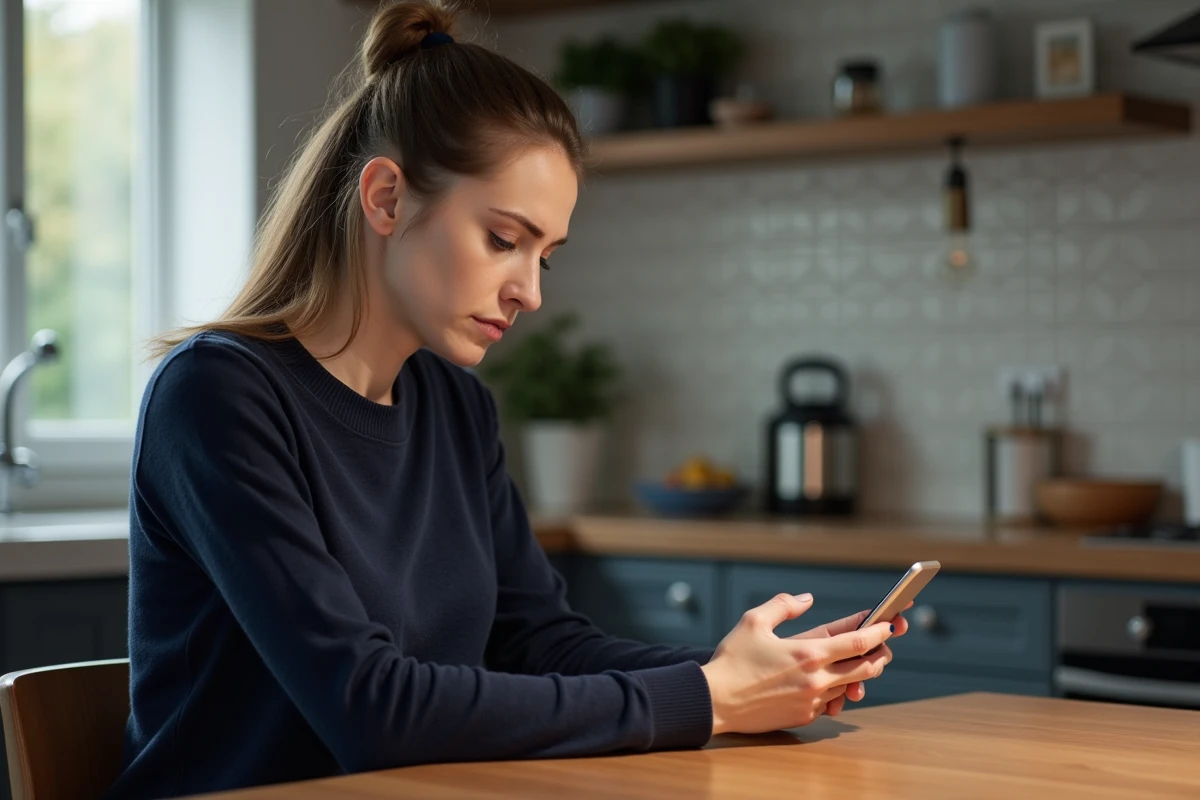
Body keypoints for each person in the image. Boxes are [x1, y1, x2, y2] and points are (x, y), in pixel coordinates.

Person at [102, 2, 906, 797]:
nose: (530, 292)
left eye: (545, 257)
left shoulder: (457, 407)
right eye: (502, 239)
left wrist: (752, 675)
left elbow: (536, 641)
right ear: (386, 199)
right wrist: (706, 700)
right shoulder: (217, 397)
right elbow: (369, 709)